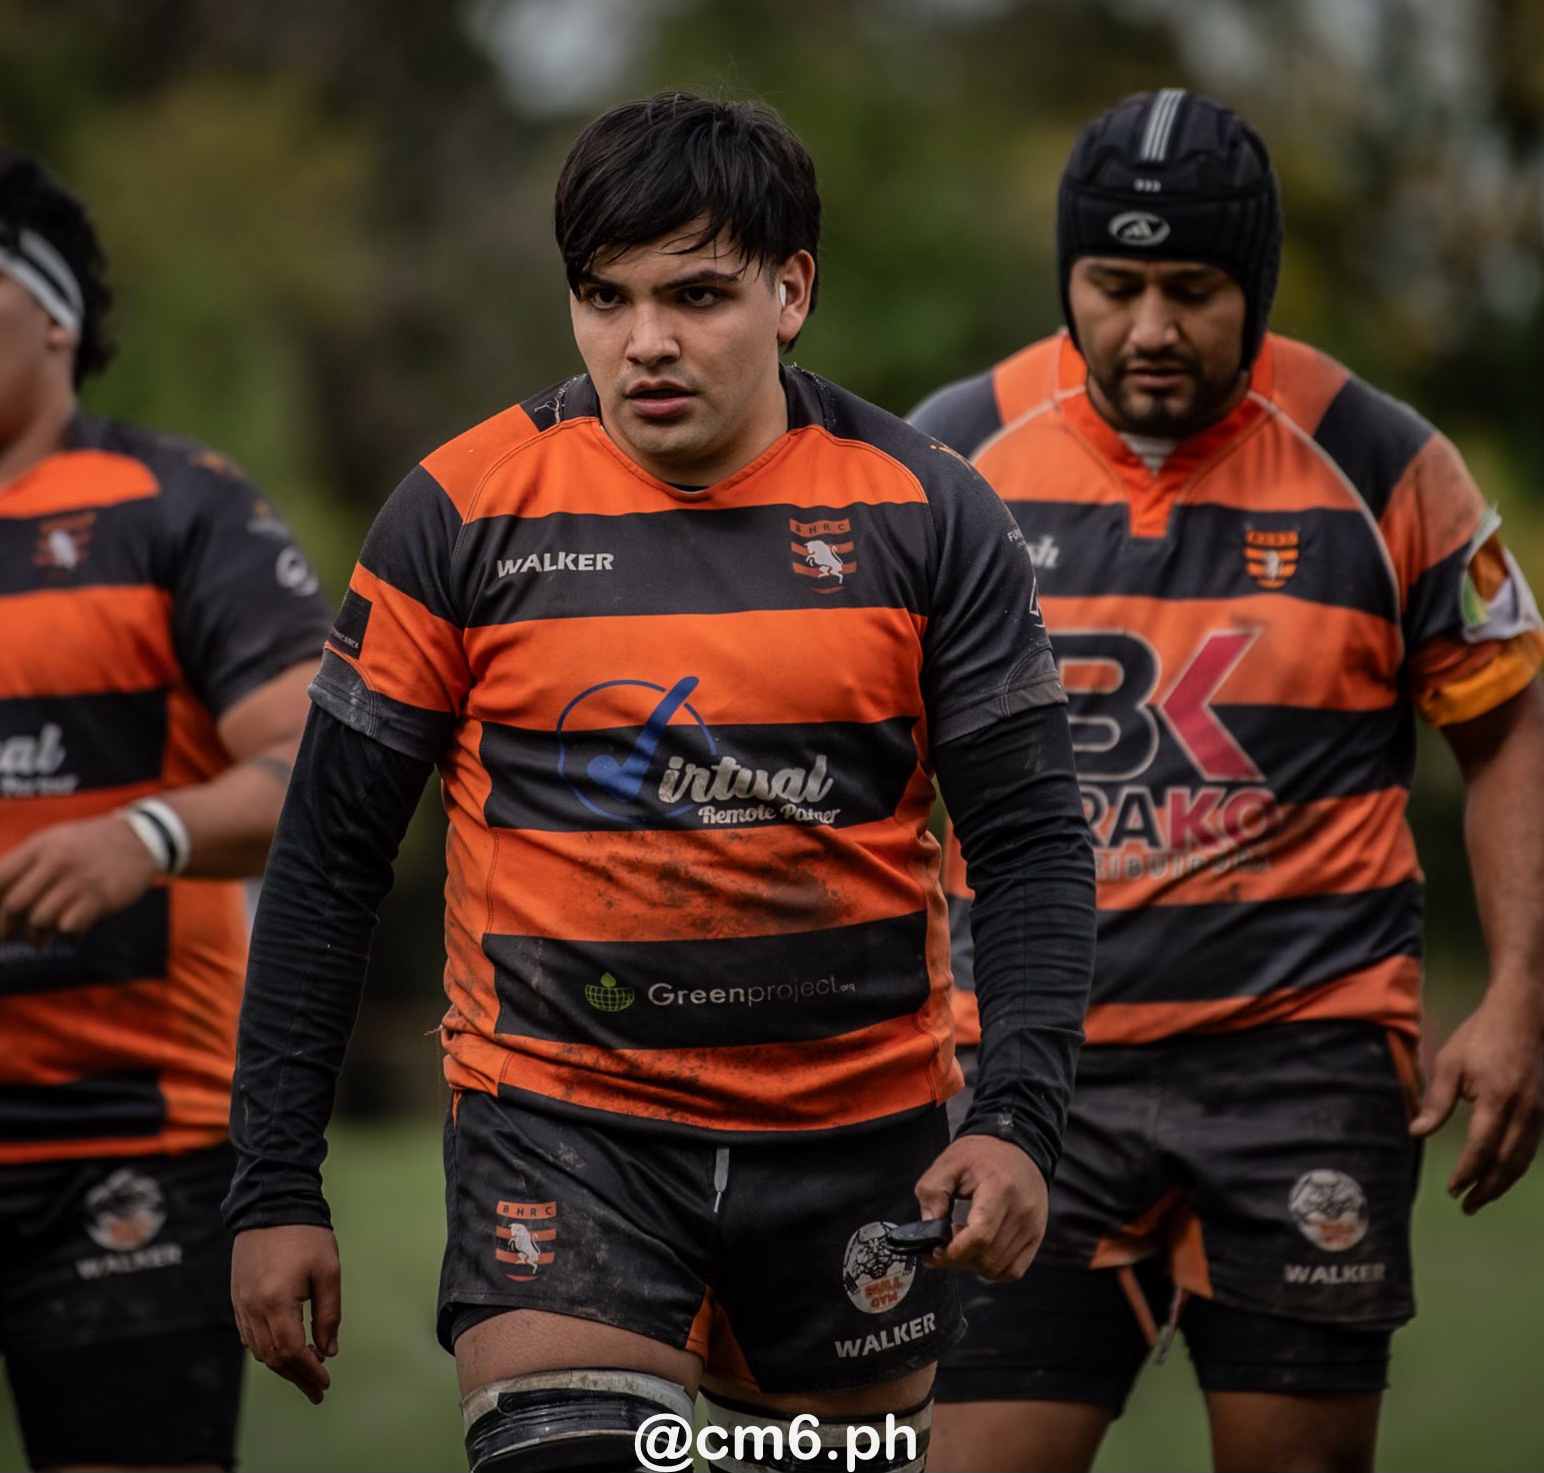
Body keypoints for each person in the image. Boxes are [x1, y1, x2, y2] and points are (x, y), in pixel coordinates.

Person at [225, 91, 1096, 1473]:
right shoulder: (459, 512)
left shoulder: (931, 513)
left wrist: (1016, 1120)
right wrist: (271, 1184)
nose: (645, 343)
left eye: (695, 294)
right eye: (604, 297)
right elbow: (329, 862)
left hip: (857, 1149)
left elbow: (1036, 845)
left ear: (790, 289)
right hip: (562, 1134)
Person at [911, 89, 1544, 1473]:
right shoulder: (950, 458)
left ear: (1254, 285)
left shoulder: (1385, 462)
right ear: (1066, 282)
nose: (1150, 327)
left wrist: (1516, 991)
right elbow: (860, 752)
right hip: (1026, 1062)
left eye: (1192, 289)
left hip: (1302, 1058)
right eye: (1114, 285)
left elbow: (1507, 734)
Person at [0, 145, 331, 1472]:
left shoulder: (175, 507)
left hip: (135, 1150)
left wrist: (146, 834)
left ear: (55, 320)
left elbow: (327, 774)